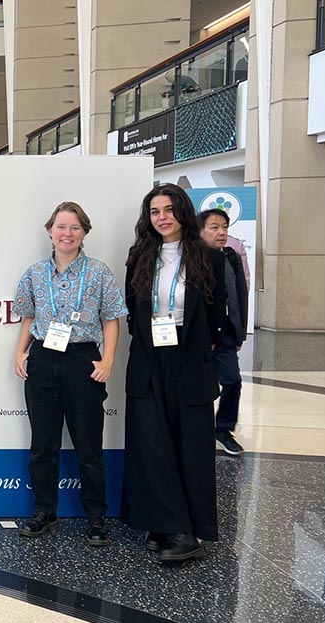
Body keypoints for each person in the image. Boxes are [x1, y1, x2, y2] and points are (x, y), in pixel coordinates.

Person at [121, 182, 226, 564]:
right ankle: (161, 522)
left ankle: (186, 531)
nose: (162, 217)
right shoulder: (140, 257)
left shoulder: (210, 258)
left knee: (190, 446)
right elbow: (134, 311)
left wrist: (197, 348)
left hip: (189, 360)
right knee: (152, 443)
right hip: (150, 357)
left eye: (168, 209)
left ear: (182, 211)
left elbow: (219, 317)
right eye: (154, 211)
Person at [13, 201, 127, 546]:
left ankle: (96, 519)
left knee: (88, 447)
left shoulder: (99, 272)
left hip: (83, 361)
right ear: (50, 231)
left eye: (74, 227)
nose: (67, 233)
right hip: (44, 359)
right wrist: (20, 352)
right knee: (42, 445)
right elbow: (28, 317)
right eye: (61, 227)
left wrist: (107, 360)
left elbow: (111, 319)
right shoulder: (34, 273)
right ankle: (44, 512)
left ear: (84, 233)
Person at [198, 207, 248, 456]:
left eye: (224, 227)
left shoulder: (231, 256)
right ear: (200, 230)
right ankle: (199, 430)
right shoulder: (193, 259)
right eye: (214, 227)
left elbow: (240, 295)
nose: (221, 232)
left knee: (232, 380)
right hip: (198, 336)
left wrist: (240, 332)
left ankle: (223, 428)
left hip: (225, 333)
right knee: (199, 386)